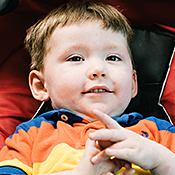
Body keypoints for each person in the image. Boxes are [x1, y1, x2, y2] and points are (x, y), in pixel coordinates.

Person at [0, 1, 175, 175]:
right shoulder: (29, 137)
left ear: (133, 83)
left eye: (113, 58)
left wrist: (160, 160)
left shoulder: (161, 134)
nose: (99, 69)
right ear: (41, 86)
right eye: (76, 58)